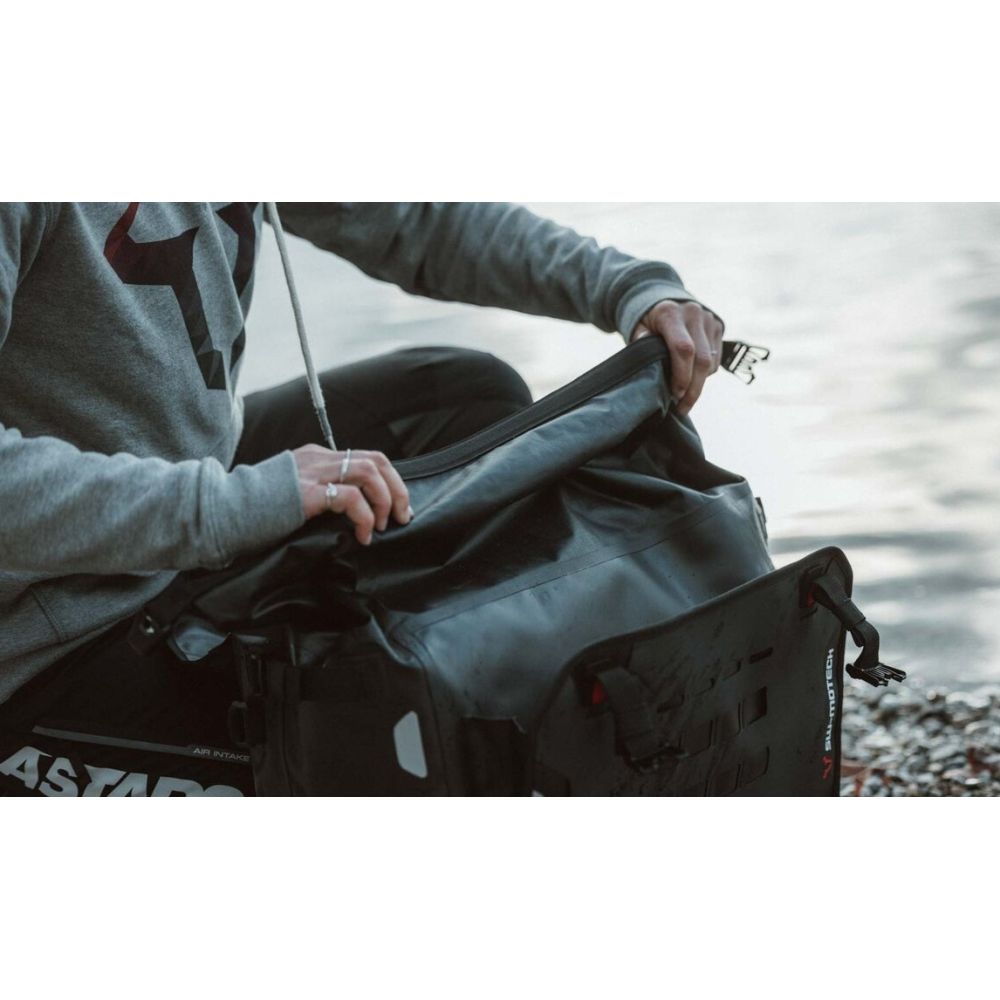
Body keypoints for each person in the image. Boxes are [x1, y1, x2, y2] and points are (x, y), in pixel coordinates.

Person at [0, 202, 724, 796]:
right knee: (357, 727)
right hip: (52, 625)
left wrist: (628, 287)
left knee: (468, 401)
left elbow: (419, 220)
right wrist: (241, 505)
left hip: (190, 496)